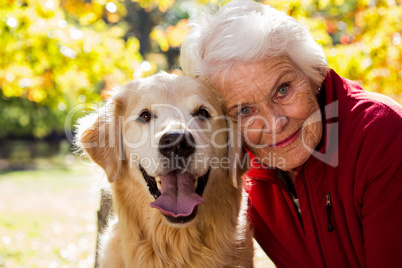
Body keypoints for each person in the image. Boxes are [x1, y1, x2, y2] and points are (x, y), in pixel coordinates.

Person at [179, 0, 402, 267]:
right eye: (245, 111)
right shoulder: (240, 169)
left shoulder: (381, 134)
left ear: (315, 73)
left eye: (282, 90)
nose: (274, 124)